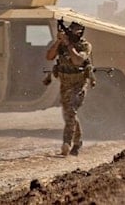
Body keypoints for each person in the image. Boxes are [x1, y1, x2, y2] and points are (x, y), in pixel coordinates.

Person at [46, 20, 93, 156]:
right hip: (65, 84)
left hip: (79, 84)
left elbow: (78, 60)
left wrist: (69, 45)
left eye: (77, 31)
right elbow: (49, 56)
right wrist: (59, 42)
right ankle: (78, 142)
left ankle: (67, 143)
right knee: (69, 114)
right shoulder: (62, 45)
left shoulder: (84, 46)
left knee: (71, 112)